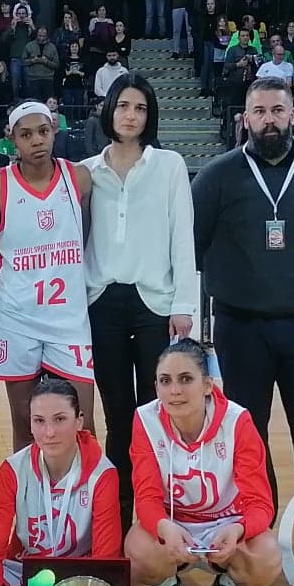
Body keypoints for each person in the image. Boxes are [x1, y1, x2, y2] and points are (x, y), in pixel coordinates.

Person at [191, 78, 294, 555]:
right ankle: (256, 523)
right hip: (240, 325)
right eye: (259, 111)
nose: (269, 119)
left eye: (277, 110)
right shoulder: (217, 176)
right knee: (249, 432)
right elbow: (197, 242)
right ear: (245, 118)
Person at [81, 73, 197, 525]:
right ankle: (121, 514)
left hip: (155, 302)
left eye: (140, 108)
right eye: (124, 106)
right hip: (102, 301)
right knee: (116, 410)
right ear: (109, 110)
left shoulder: (167, 165)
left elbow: (181, 236)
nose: (131, 115)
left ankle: (161, 508)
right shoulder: (88, 171)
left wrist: (184, 304)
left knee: (157, 408)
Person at [126, 338, 282, 586]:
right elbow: (146, 497)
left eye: (186, 379)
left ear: (207, 385)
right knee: (137, 550)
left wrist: (238, 530)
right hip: (175, 524)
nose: (174, 390)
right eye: (165, 381)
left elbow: (261, 504)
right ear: (156, 386)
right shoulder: (145, 420)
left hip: (226, 524)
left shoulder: (238, 421)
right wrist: (164, 528)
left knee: (268, 555)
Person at [0, 101, 96, 447]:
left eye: (43, 132)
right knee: (25, 425)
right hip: (18, 317)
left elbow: (87, 234)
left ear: (54, 130)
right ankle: (28, 499)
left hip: (68, 319)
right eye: (26, 135)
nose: (36, 141)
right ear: (12, 139)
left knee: (82, 426)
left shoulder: (80, 179)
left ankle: (81, 499)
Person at [0, 376, 124, 586]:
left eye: (59, 419)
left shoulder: (103, 474)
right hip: (23, 569)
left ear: (79, 421)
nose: (49, 433)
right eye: (39, 421)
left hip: (80, 578)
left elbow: (104, 560)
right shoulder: (13, 469)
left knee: (126, 574)